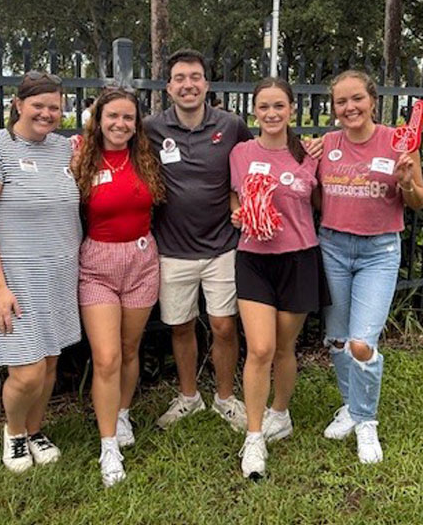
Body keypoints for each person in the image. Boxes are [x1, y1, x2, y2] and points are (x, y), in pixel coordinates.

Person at [0, 71, 82, 474]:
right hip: (14, 277)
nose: (47, 113)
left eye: (54, 107)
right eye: (39, 105)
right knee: (26, 371)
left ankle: (35, 429)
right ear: (18, 104)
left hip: (60, 272)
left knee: (48, 362)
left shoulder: (65, 149)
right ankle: (14, 433)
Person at [143, 49, 252, 431]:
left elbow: (260, 157)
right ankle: (189, 397)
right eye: (179, 78)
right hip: (172, 249)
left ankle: (225, 398)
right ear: (169, 87)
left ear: (206, 83)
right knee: (180, 325)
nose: (187, 84)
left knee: (224, 326)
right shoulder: (151, 128)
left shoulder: (233, 125)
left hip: (222, 245)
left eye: (195, 77)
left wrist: (311, 150)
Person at [317, 70, 423, 464]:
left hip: (379, 251)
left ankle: (366, 421)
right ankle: (350, 405)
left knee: (363, 343)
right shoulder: (326, 144)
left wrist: (407, 182)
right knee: (339, 340)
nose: (350, 108)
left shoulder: (399, 142)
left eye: (356, 99)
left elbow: (416, 201)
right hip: (333, 247)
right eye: (341, 102)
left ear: (372, 100)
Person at [228, 77, 327, 479]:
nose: (271, 114)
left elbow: (322, 200)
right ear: (255, 111)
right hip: (254, 258)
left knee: (285, 348)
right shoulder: (240, 152)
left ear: (291, 109)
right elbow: (235, 195)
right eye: (264, 107)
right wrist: (238, 212)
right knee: (261, 348)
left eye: (279, 106)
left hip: (299, 258)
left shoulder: (309, 152)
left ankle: (280, 414)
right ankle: (253, 438)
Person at [71, 87, 165, 486]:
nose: (120, 124)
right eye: (112, 116)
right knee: (106, 357)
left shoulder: (145, 157)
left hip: (142, 261)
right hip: (97, 265)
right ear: (98, 118)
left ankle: (122, 412)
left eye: (128, 118)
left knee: (129, 350)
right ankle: (108, 445)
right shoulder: (78, 156)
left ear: (136, 123)